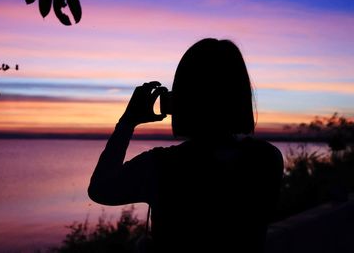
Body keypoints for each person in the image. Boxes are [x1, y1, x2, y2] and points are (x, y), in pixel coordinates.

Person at [88, 38, 284, 252]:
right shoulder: (267, 158)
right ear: (240, 96)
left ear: (181, 99)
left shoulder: (161, 165)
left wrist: (127, 122)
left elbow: (100, 189)